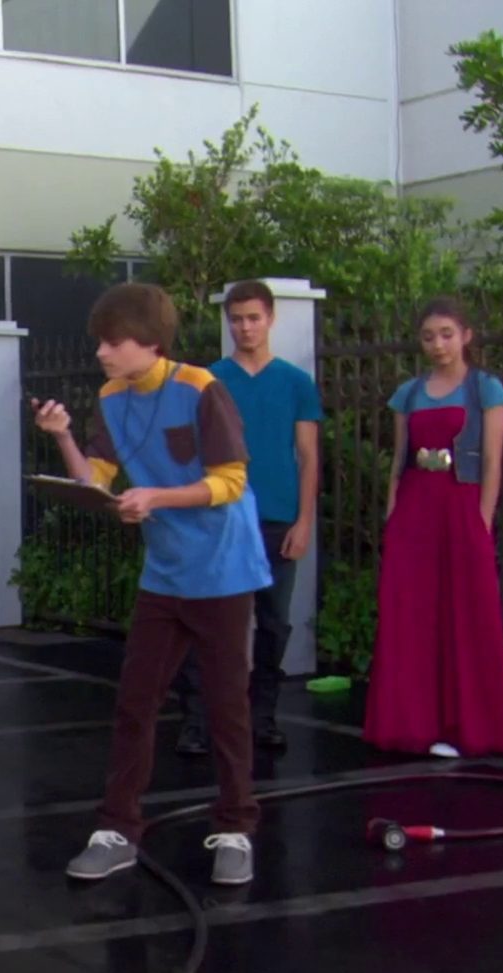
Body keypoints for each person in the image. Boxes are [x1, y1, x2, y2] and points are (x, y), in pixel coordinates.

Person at [31, 283, 271, 887]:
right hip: (164, 571)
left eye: (113, 342)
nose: (102, 353)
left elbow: (231, 481)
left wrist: (156, 497)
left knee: (226, 705)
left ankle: (236, 829)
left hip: (223, 568)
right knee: (135, 701)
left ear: (150, 342)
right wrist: (61, 436)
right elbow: (97, 480)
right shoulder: (111, 397)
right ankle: (117, 830)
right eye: (101, 342)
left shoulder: (199, 388)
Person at [364, 296, 503, 759]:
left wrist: (482, 521)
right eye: (429, 336)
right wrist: (393, 517)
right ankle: (410, 722)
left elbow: (491, 462)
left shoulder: (485, 389)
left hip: (461, 504)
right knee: (410, 612)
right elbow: (399, 461)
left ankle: (465, 726)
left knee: (466, 613)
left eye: (447, 334)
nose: (438, 344)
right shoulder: (408, 393)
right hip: (416, 507)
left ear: (466, 336)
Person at [173, 281, 322, 756]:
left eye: (253, 318)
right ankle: (198, 721)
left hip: (277, 518)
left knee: (273, 624)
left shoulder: (296, 382)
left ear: (270, 319)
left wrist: (304, 520)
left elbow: (308, 456)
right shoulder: (209, 380)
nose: (245, 327)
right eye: (236, 319)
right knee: (210, 621)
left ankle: (263, 719)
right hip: (219, 519)